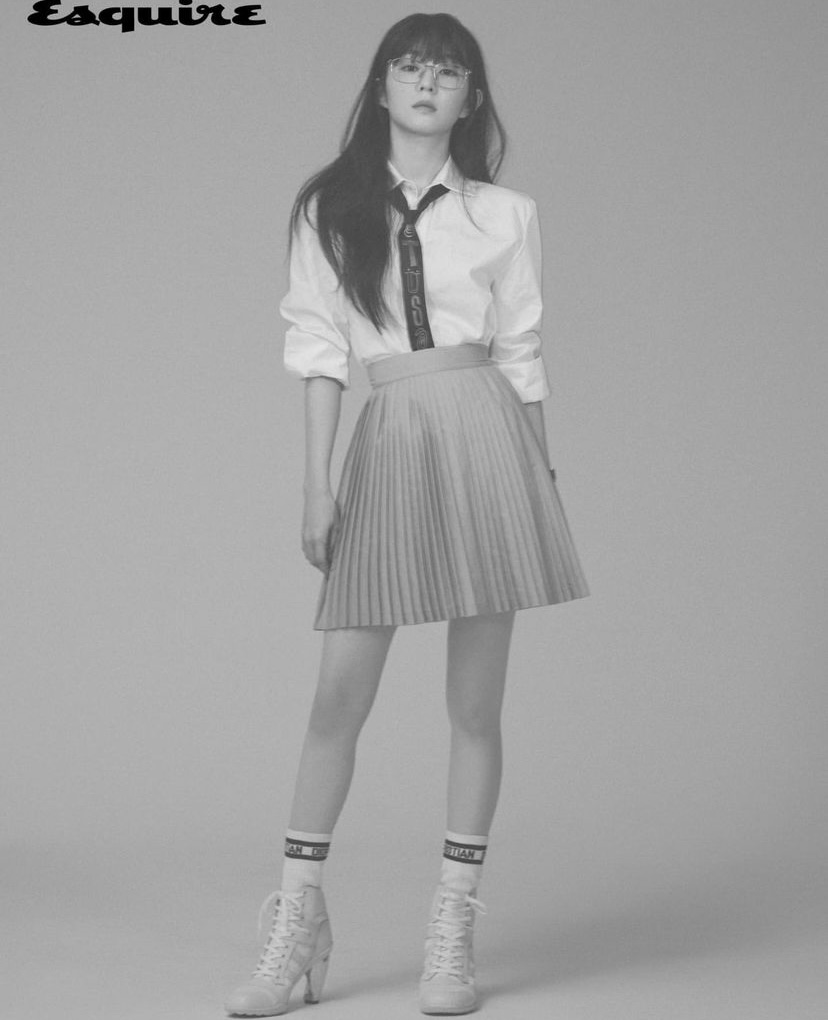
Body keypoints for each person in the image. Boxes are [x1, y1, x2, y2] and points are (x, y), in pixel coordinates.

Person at [224, 12, 588, 1018]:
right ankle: (298, 921)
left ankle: (453, 924)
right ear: (381, 85)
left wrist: (542, 477)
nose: (428, 82)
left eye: (449, 70)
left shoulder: (507, 213)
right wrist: (317, 483)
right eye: (410, 65)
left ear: (472, 98)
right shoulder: (329, 205)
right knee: (338, 698)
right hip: (388, 435)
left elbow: (522, 351)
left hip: (490, 437)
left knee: (474, 704)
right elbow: (319, 351)